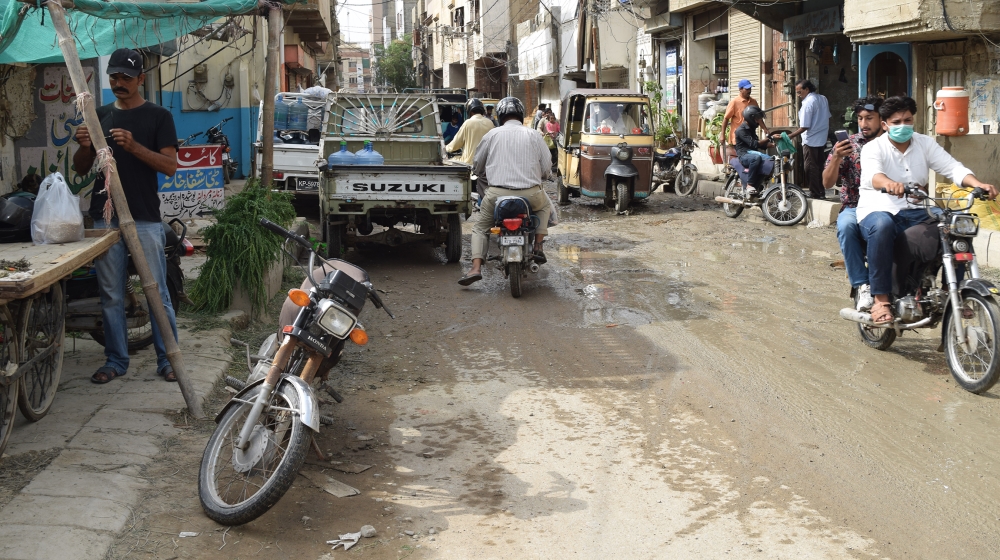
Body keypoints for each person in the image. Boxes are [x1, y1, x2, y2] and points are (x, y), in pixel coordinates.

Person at [73, 48, 180, 384]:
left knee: (156, 291)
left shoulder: (158, 116)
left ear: (141, 80)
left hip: (144, 216)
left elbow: (170, 167)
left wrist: (134, 147)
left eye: (126, 78)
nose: (119, 82)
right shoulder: (100, 114)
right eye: (114, 76)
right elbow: (80, 168)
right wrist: (86, 146)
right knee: (111, 293)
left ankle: (167, 360)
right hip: (105, 217)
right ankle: (116, 360)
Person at [858, 95, 997, 324]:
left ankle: (954, 292)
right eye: (896, 122)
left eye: (907, 120)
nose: (903, 126)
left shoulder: (925, 143)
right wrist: (889, 184)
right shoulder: (873, 148)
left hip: (917, 209)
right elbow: (875, 176)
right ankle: (881, 299)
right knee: (882, 226)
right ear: (884, 125)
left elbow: (952, 167)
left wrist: (977, 183)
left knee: (956, 226)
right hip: (879, 209)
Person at [458, 97, 553, 286]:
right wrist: (542, 175)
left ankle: (476, 268)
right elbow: (547, 166)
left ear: (500, 116)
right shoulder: (533, 135)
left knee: (480, 228)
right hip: (531, 194)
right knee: (544, 207)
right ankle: (538, 245)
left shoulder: (492, 135)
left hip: (496, 195)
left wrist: (481, 173)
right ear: (520, 114)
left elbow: (477, 165)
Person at [821, 96, 884, 311]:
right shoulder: (849, 145)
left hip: (888, 206)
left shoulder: (893, 143)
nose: (864, 124)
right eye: (860, 118)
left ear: (882, 119)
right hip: (854, 207)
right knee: (846, 226)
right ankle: (862, 285)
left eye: (869, 118)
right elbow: (827, 182)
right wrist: (837, 157)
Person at [786, 80, 831, 199]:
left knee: (810, 167)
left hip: (810, 140)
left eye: (800, 92)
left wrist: (790, 136)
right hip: (821, 138)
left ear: (807, 89)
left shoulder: (808, 102)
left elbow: (805, 126)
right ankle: (821, 192)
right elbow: (827, 117)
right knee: (820, 166)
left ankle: (815, 193)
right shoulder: (823, 98)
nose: (798, 95)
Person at [733, 105, 774, 196]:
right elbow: (754, 144)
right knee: (756, 158)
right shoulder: (741, 130)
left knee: (773, 161)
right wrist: (769, 138)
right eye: (757, 118)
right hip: (744, 154)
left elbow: (758, 145)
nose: (758, 121)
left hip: (752, 152)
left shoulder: (751, 129)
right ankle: (749, 185)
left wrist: (772, 144)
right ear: (751, 118)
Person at [721, 79, 769, 150]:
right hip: (738, 138)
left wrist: (765, 129)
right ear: (740, 89)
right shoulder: (734, 102)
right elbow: (726, 119)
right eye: (747, 89)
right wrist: (722, 135)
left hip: (750, 136)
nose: (749, 91)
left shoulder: (753, 102)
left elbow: (758, 118)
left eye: (750, 88)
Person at [446, 98, 495, 165]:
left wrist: (446, 148)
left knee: (448, 161)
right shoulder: (490, 123)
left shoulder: (468, 123)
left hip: (470, 163)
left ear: (470, 111)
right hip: (487, 163)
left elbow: (455, 144)